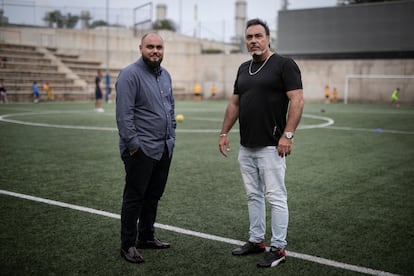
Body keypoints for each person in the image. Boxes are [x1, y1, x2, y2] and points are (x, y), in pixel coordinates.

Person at [218, 18, 304, 269]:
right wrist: (224, 132)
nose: (253, 41)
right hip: (247, 146)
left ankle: (278, 247)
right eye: (249, 37)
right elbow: (234, 104)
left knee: (275, 197)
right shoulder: (243, 69)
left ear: (268, 38)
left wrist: (287, 135)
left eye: (258, 36)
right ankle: (256, 241)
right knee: (253, 196)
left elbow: (297, 100)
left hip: (272, 146)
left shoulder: (284, 65)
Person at [115, 32, 176, 264]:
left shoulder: (165, 75)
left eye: (159, 47)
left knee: (153, 196)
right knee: (134, 197)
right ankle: (128, 244)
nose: (155, 51)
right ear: (141, 48)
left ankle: (146, 236)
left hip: (164, 147)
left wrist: (172, 136)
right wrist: (133, 147)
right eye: (150, 46)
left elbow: (170, 108)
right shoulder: (130, 75)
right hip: (140, 150)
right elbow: (124, 115)